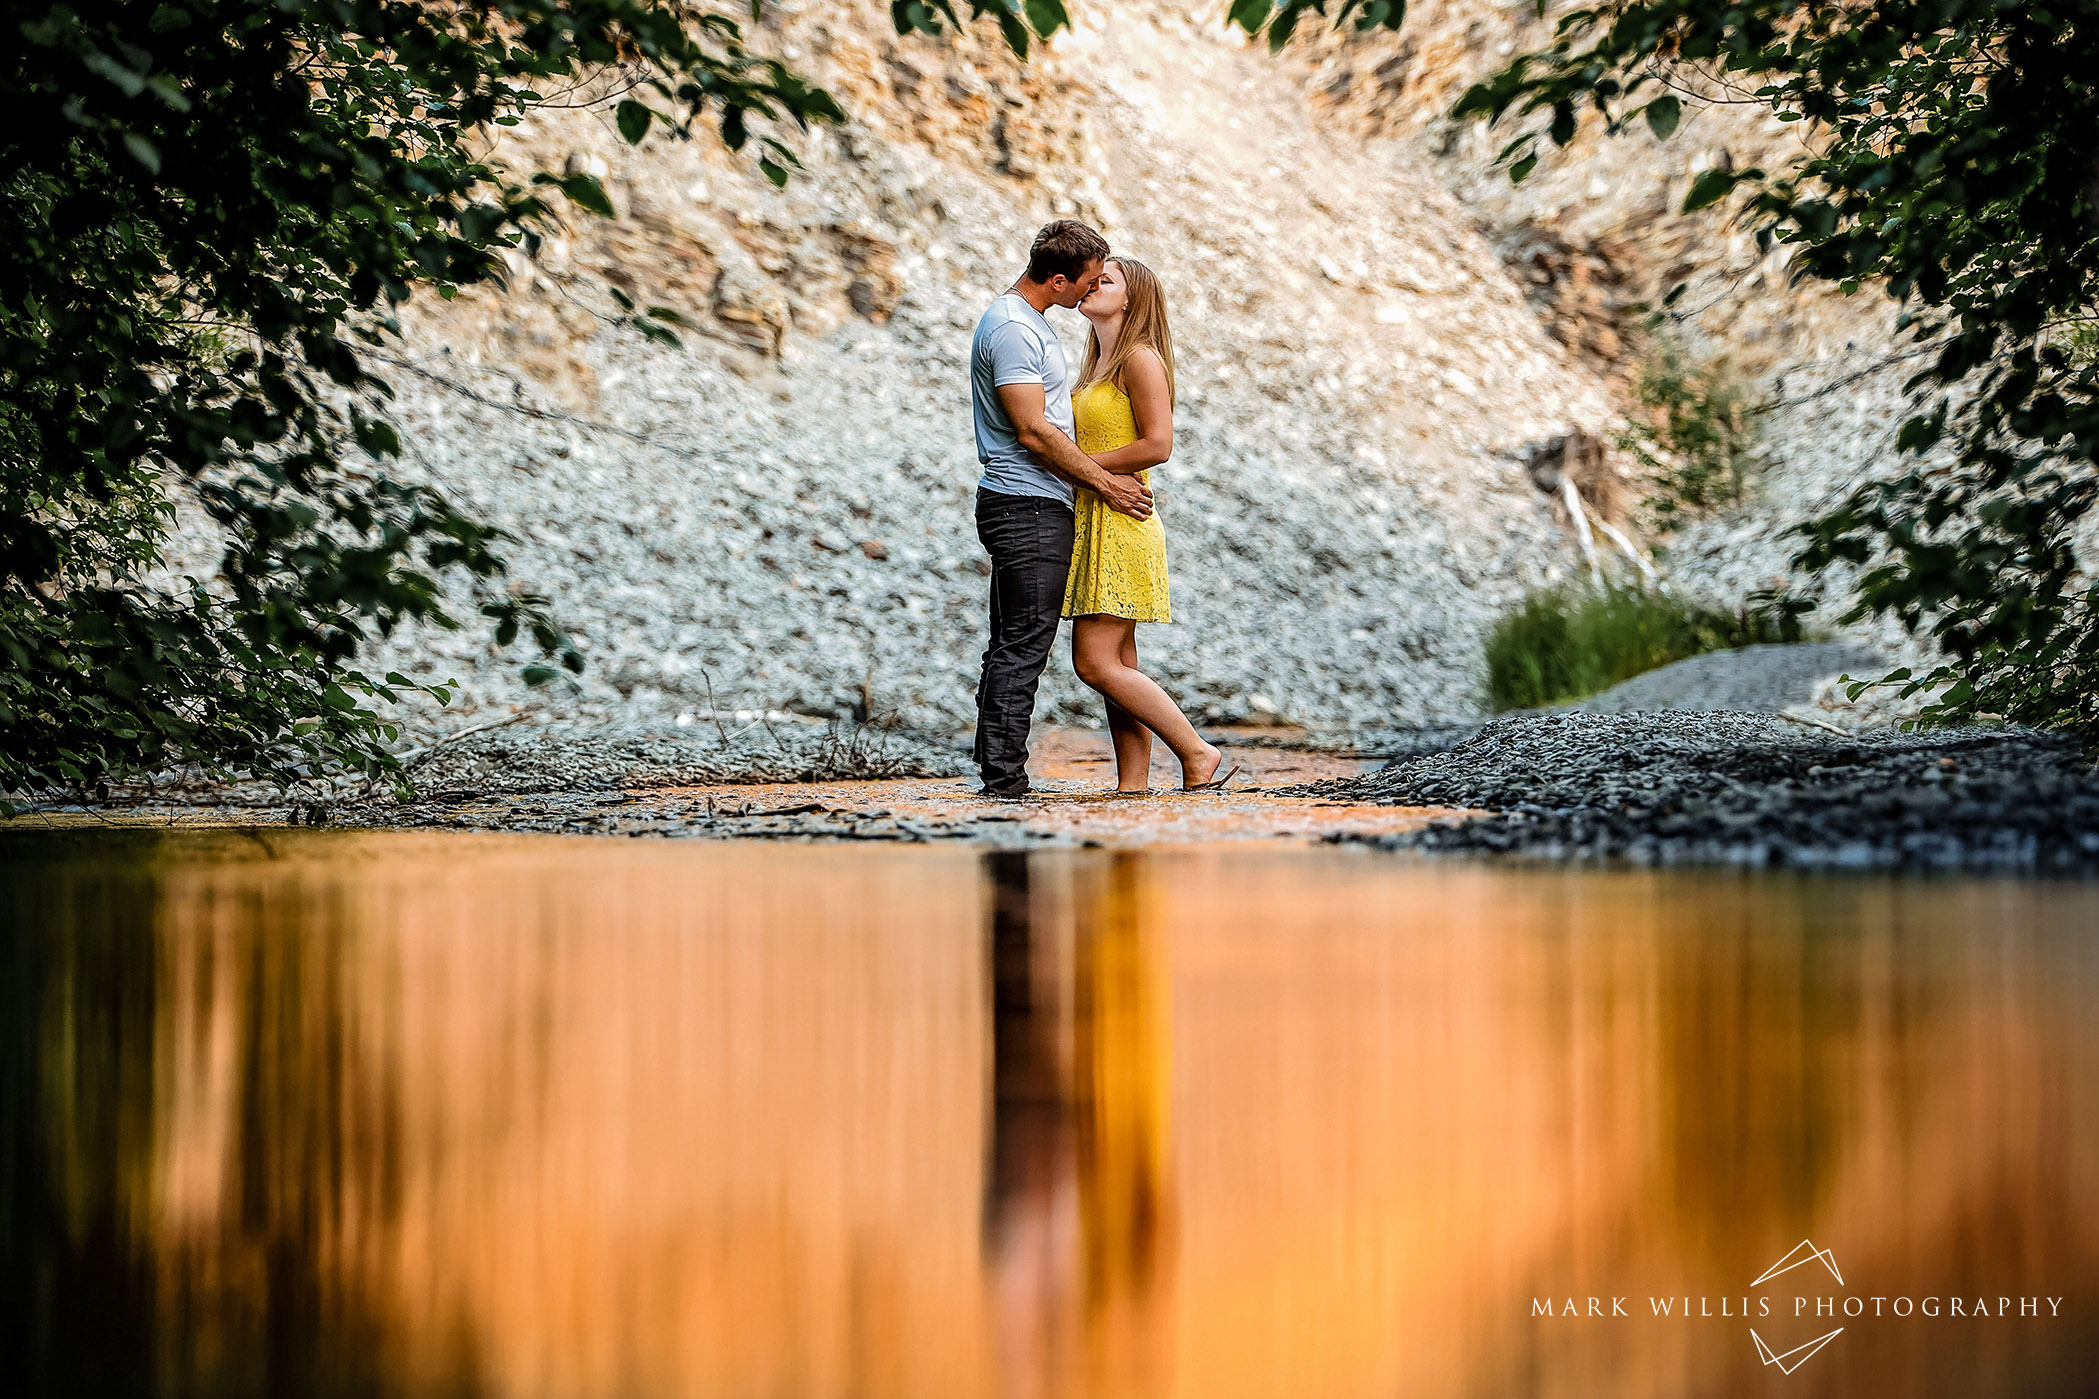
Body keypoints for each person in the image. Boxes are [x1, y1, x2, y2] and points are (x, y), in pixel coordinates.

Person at [968, 220, 1153, 798]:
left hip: (1034, 501)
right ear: (1057, 280)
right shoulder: (1014, 329)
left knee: (1013, 642)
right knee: (1024, 645)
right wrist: (1107, 484)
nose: (1092, 288)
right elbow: (1032, 431)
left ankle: (999, 774)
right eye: (1089, 280)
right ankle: (1004, 783)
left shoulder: (1031, 323)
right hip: (1025, 503)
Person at [1062, 257, 1232, 793]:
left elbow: (1159, 444)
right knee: (1120, 665)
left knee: (1094, 664)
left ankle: (1198, 751)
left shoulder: (1139, 358)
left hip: (1121, 520)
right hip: (1099, 516)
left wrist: (1076, 466)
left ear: (1132, 298)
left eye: (1105, 280)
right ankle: (1132, 787)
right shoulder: (1097, 364)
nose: (1091, 285)